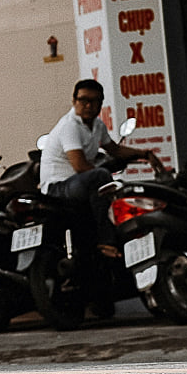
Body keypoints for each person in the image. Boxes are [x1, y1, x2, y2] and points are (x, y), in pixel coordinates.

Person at [39, 78, 140, 248]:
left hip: (75, 184)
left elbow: (115, 150)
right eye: (83, 100)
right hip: (58, 187)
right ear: (74, 101)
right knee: (102, 180)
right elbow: (80, 166)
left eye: (94, 101)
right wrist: (108, 180)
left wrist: (145, 154)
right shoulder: (70, 126)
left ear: (101, 103)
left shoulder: (97, 125)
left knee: (105, 183)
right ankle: (107, 241)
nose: (89, 105)